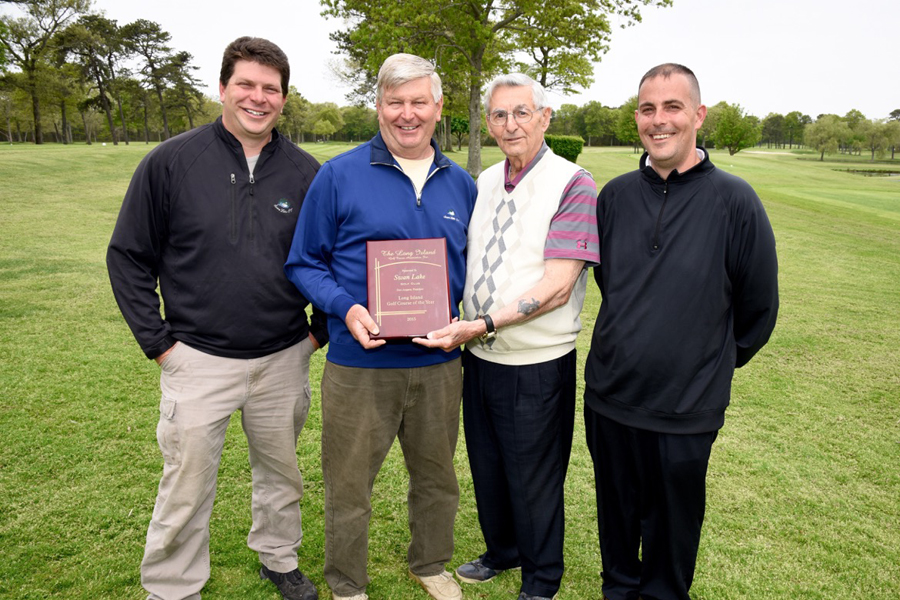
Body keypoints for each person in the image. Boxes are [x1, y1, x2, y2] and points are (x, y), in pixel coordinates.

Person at [106, 37, 325, 600]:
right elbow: (128, 255)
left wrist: (315, 334)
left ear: (284, 97)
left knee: (281, 475)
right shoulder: (172, 161)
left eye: (270, 89)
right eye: (246, 85)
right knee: (187, 482)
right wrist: (159, 343)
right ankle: (173, 584)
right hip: (196, 359)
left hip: (282, 357)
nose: (258, 98)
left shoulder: (307, 173)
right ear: (223, 88)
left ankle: (278, 557)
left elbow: (334, 258)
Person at [283, 53, 476, 600]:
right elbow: (303, 262)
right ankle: (347, 583)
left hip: (439, 364)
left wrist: (467, 316)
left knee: (437, 476)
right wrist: (345, 307)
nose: (407, 114)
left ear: (439, 108)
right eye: (396, 102)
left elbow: (473, 269)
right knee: (349, 485)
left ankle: (432, 563)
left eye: (419, 101)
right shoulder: (339, 175)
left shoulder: (461, 184)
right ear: (378, 106)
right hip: (359, 365)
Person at [583, 63, 779, 600]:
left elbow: (758, 310)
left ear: (698, 115)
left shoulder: (735, 200)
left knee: (671, 546)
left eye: (672, 107)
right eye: (647, 109)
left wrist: (706, 361)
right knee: (617, 534)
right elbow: (612, 284)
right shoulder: (615, 197)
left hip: (686, 411)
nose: (658, 120)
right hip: (610, 400)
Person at [415, 73, 599, 600]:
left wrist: (484, 324)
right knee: (489, 463)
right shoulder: (488, 179)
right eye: (499, 114)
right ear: (487, 122)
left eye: (522, 112)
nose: (509, 124)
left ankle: (542, 577)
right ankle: (502, 551)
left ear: (544, 117)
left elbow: (559, 284)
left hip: (536, 360)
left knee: (534, 475)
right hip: (480, 356)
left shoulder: (573, 183)